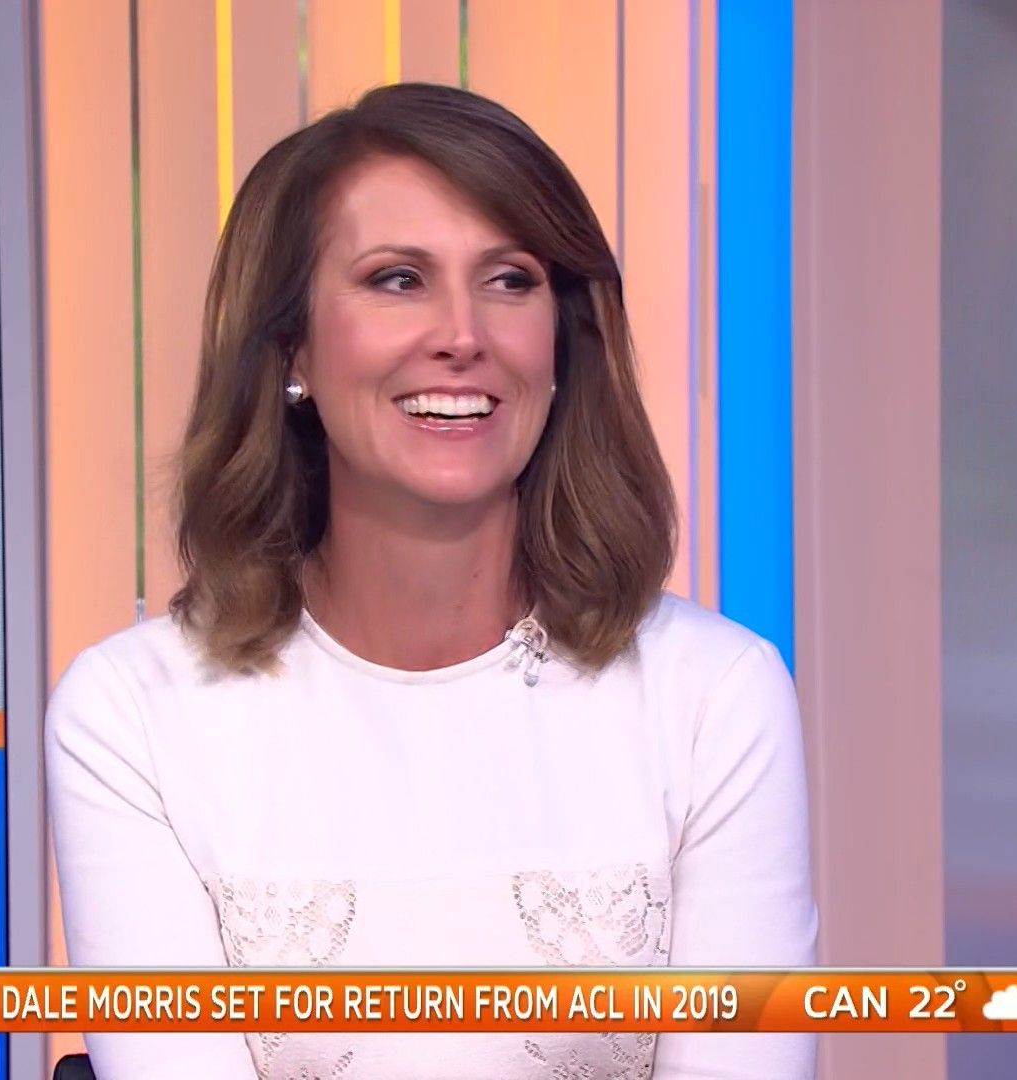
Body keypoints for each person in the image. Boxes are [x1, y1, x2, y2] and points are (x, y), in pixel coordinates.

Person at [45, 83, 817, 1078]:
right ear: (291, 348)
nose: (463, 334)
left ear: (560, 343)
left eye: (509, 280)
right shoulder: (132, 717)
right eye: (398, 279)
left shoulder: (715, 697)